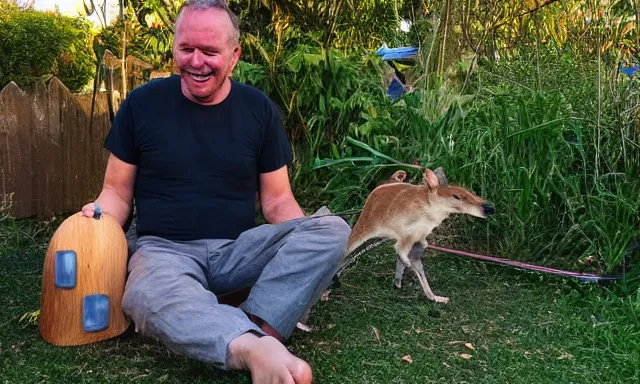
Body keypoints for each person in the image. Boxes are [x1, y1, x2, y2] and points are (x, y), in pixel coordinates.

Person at [81, 0, 351, 382]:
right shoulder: (142, 104)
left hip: (236, 251)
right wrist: (96, 219)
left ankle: (257, 324)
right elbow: (117, 193)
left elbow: (278, 202)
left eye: (209, 51)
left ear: (234, 55)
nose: (196, 62)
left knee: (332, 229)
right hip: (164, 252)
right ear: (173, 46)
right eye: (186, 49)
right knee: (143, 295)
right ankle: (252, 346)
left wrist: (306, 262)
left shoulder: (259, 110)